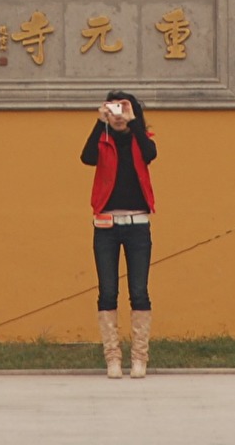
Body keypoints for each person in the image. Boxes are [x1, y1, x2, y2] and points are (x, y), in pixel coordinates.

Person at [80, 90, 157, 379]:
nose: (118, 115)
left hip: (138, 225)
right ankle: (112, 358)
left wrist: (133, 121)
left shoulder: (141, 139)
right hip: (106, 226)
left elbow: (151, 154)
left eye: (123, 109)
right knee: (107, 291)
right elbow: (86, 158)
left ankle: (139, 358)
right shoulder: (103, 140)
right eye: (113, 109)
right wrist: (101, 123)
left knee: (139, 291)